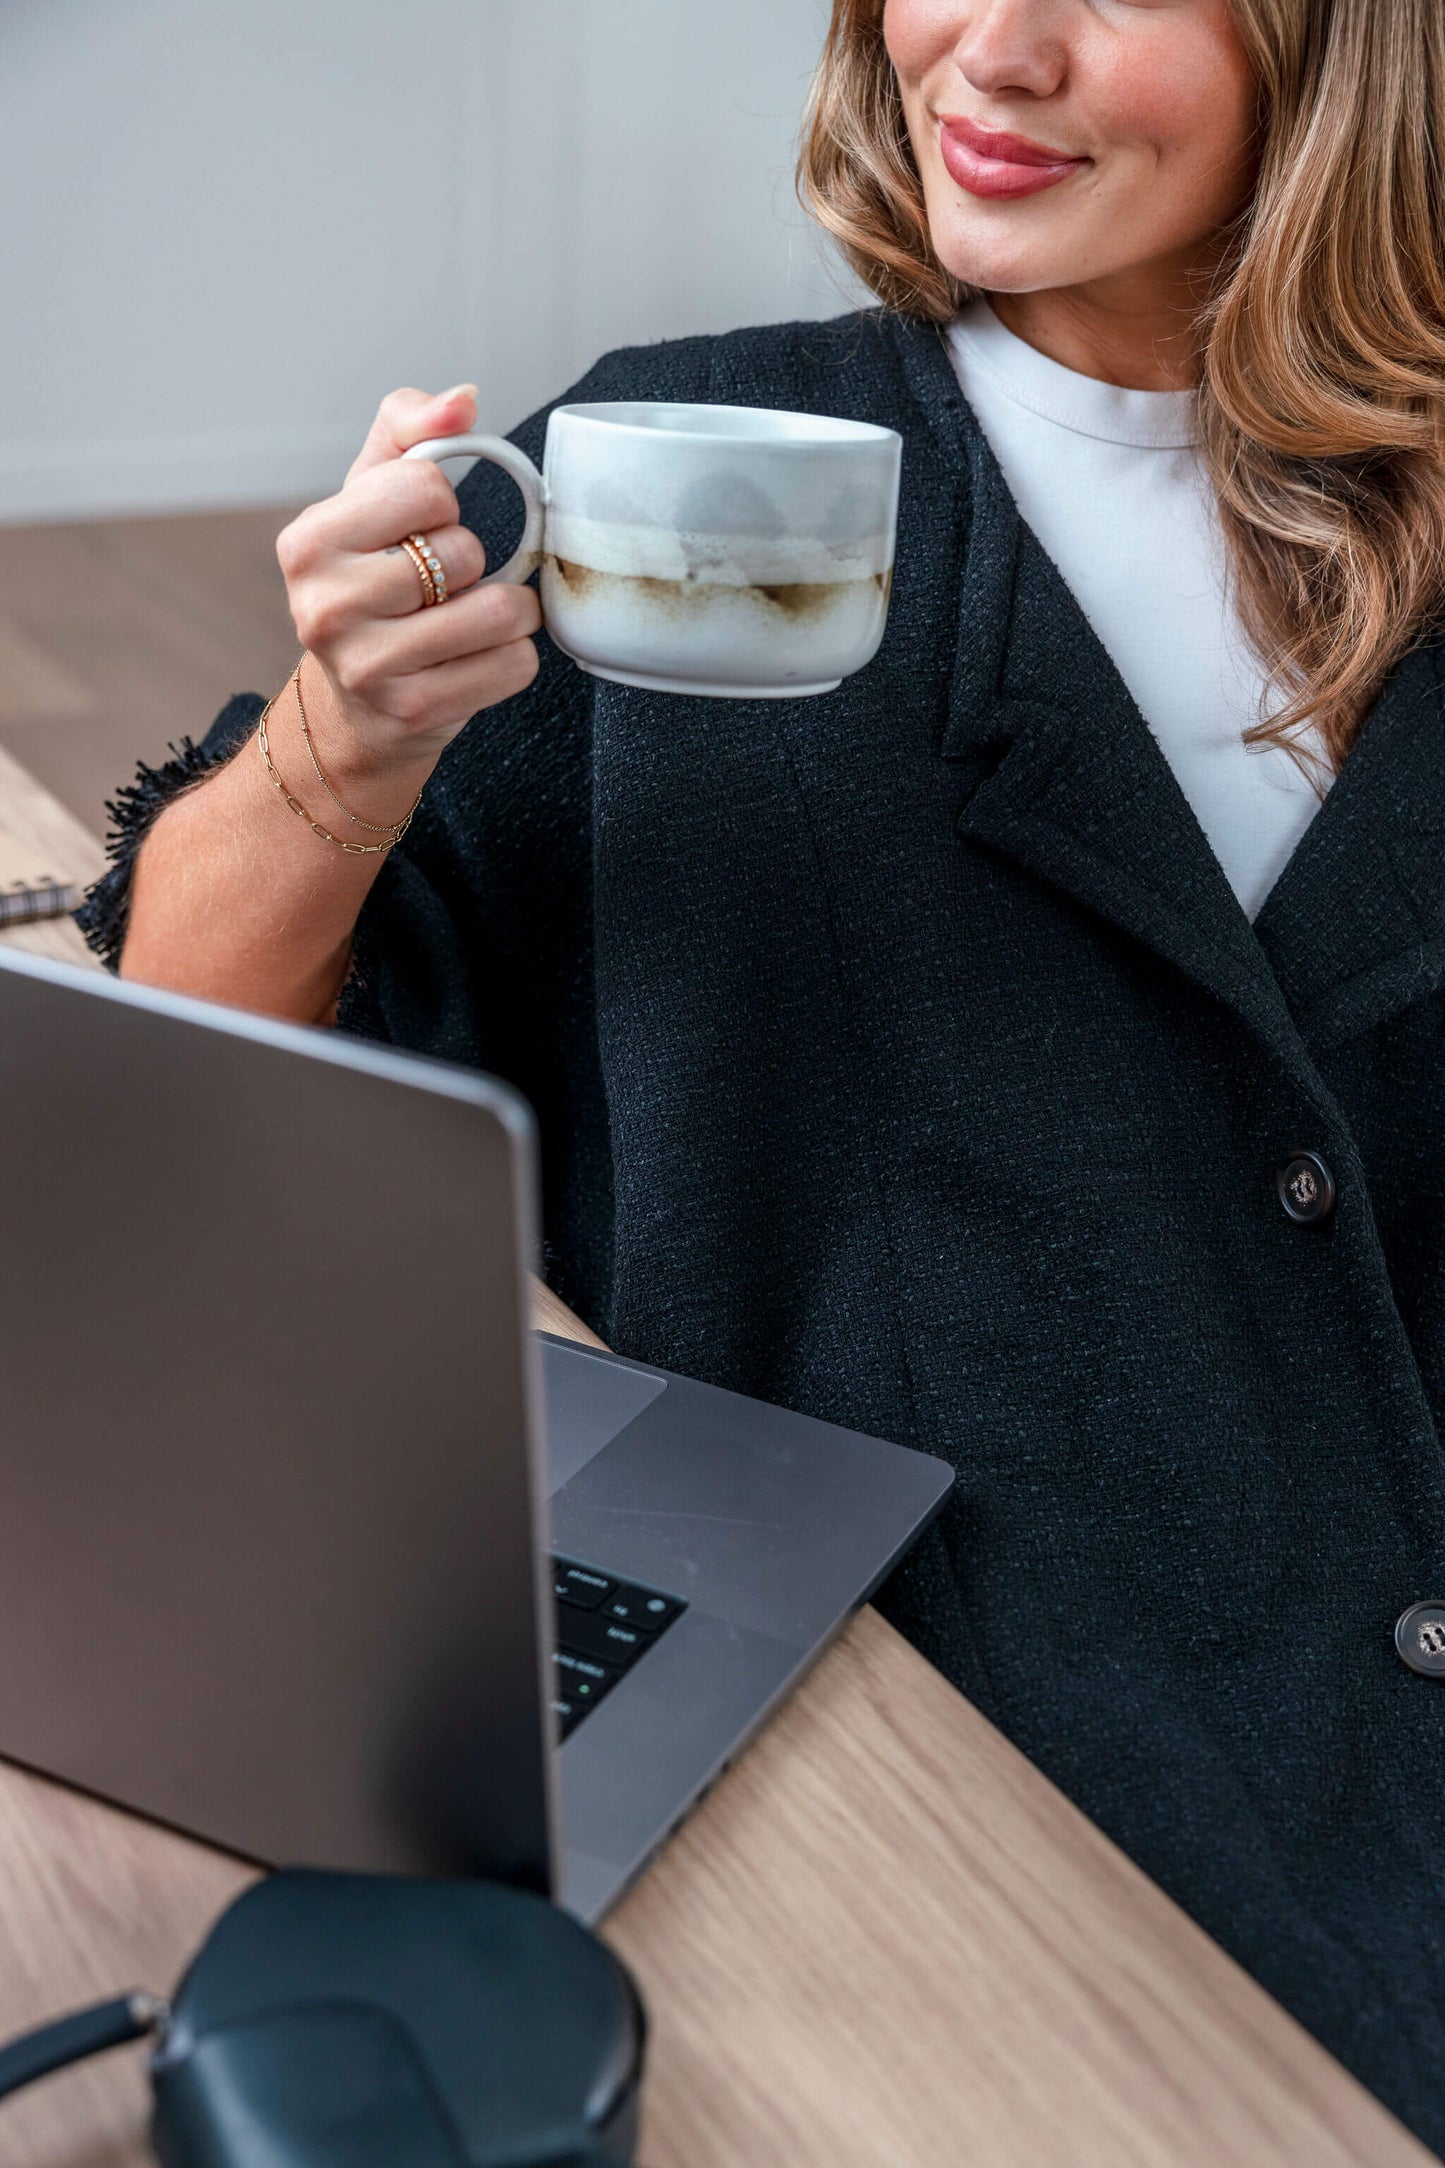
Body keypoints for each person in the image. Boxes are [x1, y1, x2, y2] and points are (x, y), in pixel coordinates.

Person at [84, 0, 1445, 2145]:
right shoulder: (664, 446)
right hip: (887, 1797)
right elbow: (194, 1058)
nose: (989, 51)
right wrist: (342, 756)